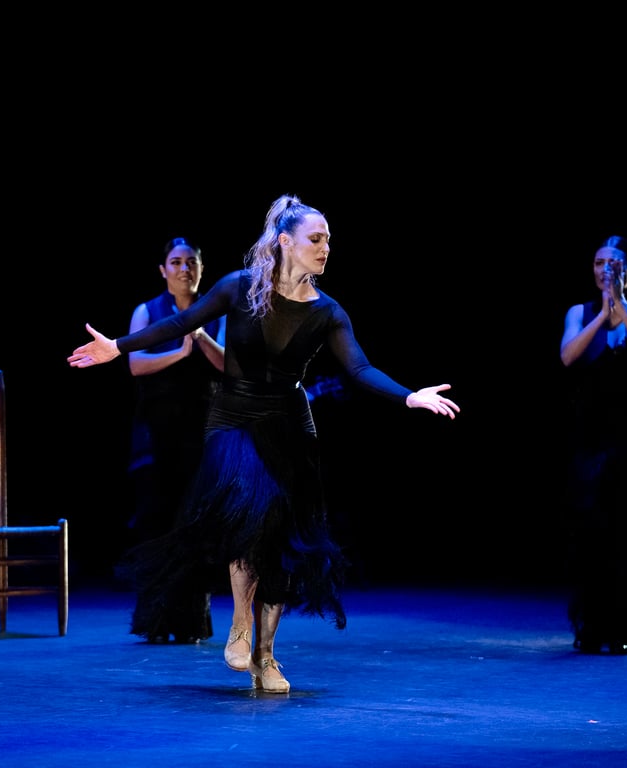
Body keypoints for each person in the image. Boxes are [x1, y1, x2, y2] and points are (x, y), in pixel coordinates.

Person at [68, 194, 459, 693]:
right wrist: (117, 347)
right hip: (232, 417)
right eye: (315, 239)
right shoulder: (238, 287)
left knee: (280, 536)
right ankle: (239, 623)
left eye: (328, 240)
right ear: (285, 242)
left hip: (289, 425)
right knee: (248, 513)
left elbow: (358, 367)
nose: (325, 247)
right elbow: (180, 323)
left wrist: (408, 396)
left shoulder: (328, 311)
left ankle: (266, 655)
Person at [559, 235, 627, 654]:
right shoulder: (580, 312)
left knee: (626, 532)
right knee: (589, 531)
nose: (605, 270)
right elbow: (568, 356)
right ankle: (590, 627)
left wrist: (621, 305)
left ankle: (624, 630)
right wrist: (603, 314)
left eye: (614, 263)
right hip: (590, 432)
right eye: (598, 263)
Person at [125, 236, 225, 644]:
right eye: (177, 262)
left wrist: (199, 336)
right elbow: (136, 363)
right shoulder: (147, 311)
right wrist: (179, 354)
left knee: (196, 524)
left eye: (191, 262)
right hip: (157, 431)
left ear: (201, 268)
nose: (185, 269)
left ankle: (191, 622)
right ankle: (154, 621)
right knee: (156, 521)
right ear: (163, 269)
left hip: (202, 430)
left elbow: (229, 365)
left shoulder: (217, 310)